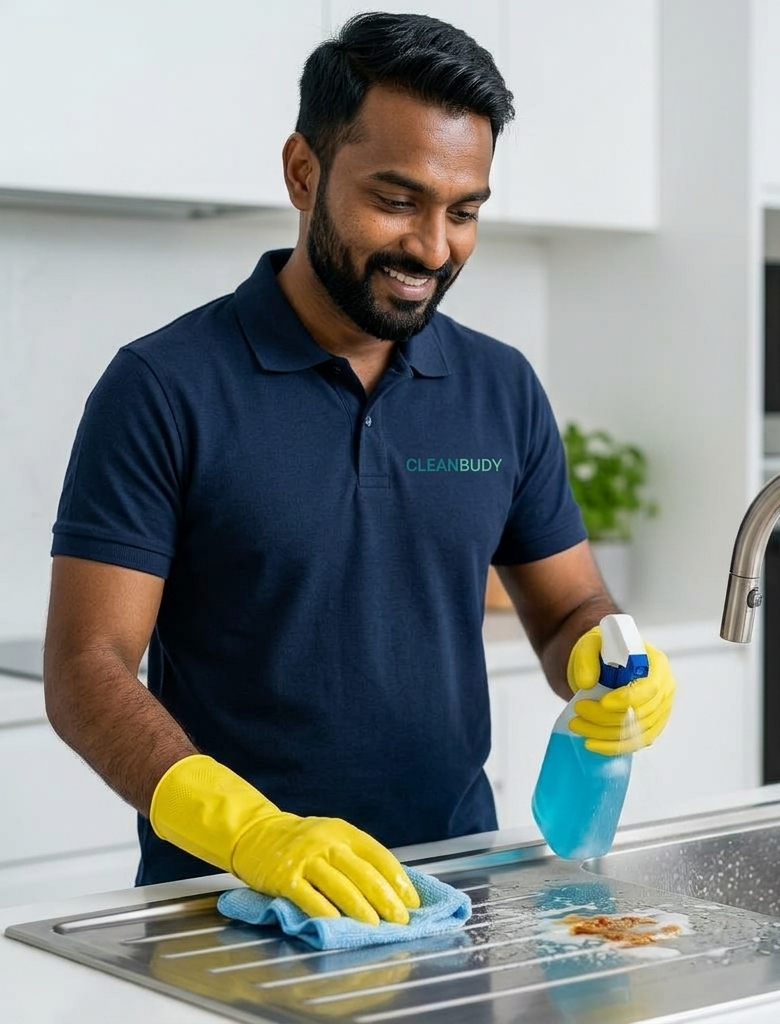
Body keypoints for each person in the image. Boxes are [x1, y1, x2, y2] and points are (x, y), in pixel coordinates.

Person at [43, 12, 676, 926]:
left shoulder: (499, 386)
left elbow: (567, 604)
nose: (431, 247)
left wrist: (608, 659)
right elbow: (86, 668)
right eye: (397, 199)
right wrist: (251, 831)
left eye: (464, 212)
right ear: (304, 172)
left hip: (456, 893)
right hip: (229, 901)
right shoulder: (162, 387)